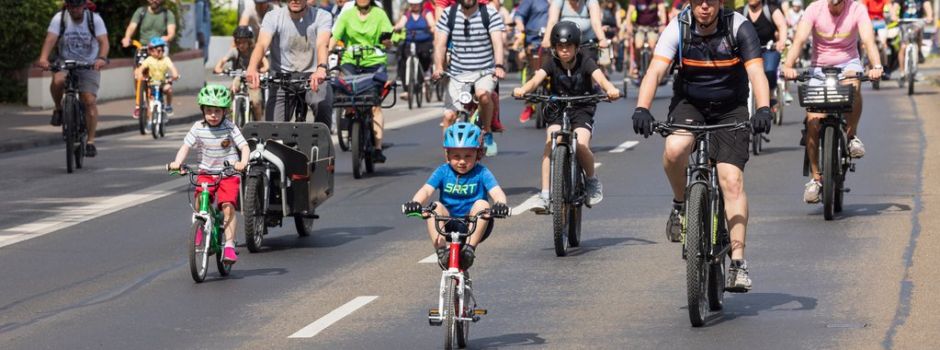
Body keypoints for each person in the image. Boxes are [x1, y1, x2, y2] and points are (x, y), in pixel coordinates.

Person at [631, 0, 773, 292]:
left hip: (730, 107)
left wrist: (763, 109)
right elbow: (655, 71)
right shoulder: (678, 27)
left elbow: (757, 73)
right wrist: (642, 108)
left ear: (721, 3)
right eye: (698, 1)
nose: (704, 7)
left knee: (730, 180)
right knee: (674, 149)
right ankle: (681, 204)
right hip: (690, 104)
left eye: (711, 1)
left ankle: (737, 263)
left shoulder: (739, 28)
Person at [781, 0, 882, 203]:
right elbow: (800, 39)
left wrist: (876, 65)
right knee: (812, 122)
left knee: (854, 84)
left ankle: (851, 135)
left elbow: (868, 41)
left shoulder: (857, 9)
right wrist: (788, 65)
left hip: (849, 64)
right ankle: (816, 179)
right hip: (819, 68)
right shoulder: (814, 10)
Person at [512, 21, 620, 209]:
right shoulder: (551, 63)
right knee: (551, 141)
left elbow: (600, 78)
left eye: (568, 46)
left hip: (582, 108)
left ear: (576, 46)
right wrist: (522, 89)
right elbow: (536, 79)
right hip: (558, 107)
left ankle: (592, 181)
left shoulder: (585, 60)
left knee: (581, 143)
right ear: (554, 48)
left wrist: (611, 89)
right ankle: (545, 194)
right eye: (560, 46)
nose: (564, 50)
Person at [402, 122, 510, 269]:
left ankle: (469, 252)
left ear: (478, 154)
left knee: (483, 204)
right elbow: (426, 190)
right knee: (434, 207)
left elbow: (497, 192)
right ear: (447, 155)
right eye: (456, 156)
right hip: (447, 224)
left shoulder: (482, 172)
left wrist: (500, 204)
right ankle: (441, 253)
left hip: (474, 225)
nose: (462, 161)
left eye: (468, 156)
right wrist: (415, 203)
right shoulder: (443, 171)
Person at [169, 85, 250, 265]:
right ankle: (200, 226)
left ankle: (229, 245)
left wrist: (242, 162)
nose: (213, 115)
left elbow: (244, 146)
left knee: (227, 206)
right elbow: (185, 147)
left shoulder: (230, 127)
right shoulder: (198, 127)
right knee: (200, 199)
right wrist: (177, 162)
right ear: (202, 110)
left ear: (224, 112)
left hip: (228, 173)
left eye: (217, 111)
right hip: (206, 172)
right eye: (209, 111)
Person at [433, 0, 507, 154]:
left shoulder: (489, 13)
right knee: (449, 116)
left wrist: (499, 65)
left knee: (483, 96)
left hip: (484, 71)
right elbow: (440, 44)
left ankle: (486, 131)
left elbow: (497, 44)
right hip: (457, 73)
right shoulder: (449, 14)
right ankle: (448, 156)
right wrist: (439, 67)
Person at [37, 0, 109, 157]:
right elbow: (50, 39)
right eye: (71, 7)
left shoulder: (94, 19)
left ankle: (90, 142)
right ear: (67, 6)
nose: (74, 10)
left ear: (84, 6)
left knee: (89, 100)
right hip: (65, 61)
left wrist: (101, 58)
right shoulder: (60, 18)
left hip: (89, 64)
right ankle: (58, 109)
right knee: (58, 81)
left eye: (77, 6)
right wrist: (43, 58)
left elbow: (103, 41)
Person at [246, 0, 334, 127]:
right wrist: (252, 67)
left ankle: (321, 145)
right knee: (272, 129)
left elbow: (322, 44)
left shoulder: (322, 16)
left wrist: (321, 68)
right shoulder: (272, 16)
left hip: (314, 76)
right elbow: (262, 44)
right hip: (282, 78)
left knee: (323, 105)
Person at [331, 0, 394, 162]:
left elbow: (388, 39)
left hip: (374, 62)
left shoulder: (379, 14)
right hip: (350, 61)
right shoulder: (347, 14)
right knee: (345, 93)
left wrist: (387, 42)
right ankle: (350, 118)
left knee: (375, 106)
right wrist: (326, 51)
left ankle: (378, 148)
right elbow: (334, 37)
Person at [213, 26, 269, 122]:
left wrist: (262, 70)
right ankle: (229, 115)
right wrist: (218, 68)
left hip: (252, 78)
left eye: (244, 42)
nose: (241, 45)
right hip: (238, 77)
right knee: (230, 91)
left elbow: (266, 64)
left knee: (255, 102)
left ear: (249, 42)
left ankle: (258, 122)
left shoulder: (254, 51)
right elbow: (222, 61)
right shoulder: (234, 51)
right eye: (238, 42)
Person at [513, 0, 551, 123]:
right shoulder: (531, 1)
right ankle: (529, 104)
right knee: (532, 72)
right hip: (534, 42)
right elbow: (518, 15)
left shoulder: (559, 2)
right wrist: (520, 26)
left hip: (554, 44)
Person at [738, 0, 787, 96]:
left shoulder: (771, 10)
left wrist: (781, 42)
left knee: (769, 71)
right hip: (748, 51)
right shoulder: (741, 12)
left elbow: (782, 26)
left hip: (769, 49)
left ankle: (771, 93)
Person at [394, 0, 436, 99]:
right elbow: (401, 24)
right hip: (410, 42)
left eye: (416, 4)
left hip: (424, 41)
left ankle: (426, 74)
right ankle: (407, 89)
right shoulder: (407, 15)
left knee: (425, 56)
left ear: (420, 4)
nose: (414, 6)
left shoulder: (426, 13)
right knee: (403, 60)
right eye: (412, 4)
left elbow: (432, 23)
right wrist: (396, 28)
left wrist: (432, 27)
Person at [541, 0, 610, 60]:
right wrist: (546, 39)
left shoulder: (590, 1)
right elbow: (552, 21)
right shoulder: (559, 1)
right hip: (565, 44)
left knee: (590, 66)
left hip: (586, 43)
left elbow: (596, 22)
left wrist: (602, 39)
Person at [135, 37, 180, 127]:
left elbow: (174, 70)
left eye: (162, 50)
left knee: (169, 89)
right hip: (152, 83)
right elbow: (140, 69)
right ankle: (150, 121)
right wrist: (139, 75)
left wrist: (174, 76)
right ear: (151, 51)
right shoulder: (149, 60)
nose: (161, 52)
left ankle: (168, 106)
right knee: (151, 103)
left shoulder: (166, 59)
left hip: (162, 83)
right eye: (158, 50)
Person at [893, 0, 933, 83]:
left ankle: (918, 51)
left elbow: (927, 5)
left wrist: (929, 16)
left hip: (917, 22)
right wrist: (894, 16)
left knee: (918, 34)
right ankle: (902, 73)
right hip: (904, 22)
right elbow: (895, 6)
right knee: (903, 46)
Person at [626, 0, 667, 78]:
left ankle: (651, 66)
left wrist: (663, 24)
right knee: (638, 46)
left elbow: (662, 11)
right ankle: (637, 65)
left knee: (652, 46)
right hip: (639, 27)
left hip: (653, 27)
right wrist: (628, 25)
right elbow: (630, 12)